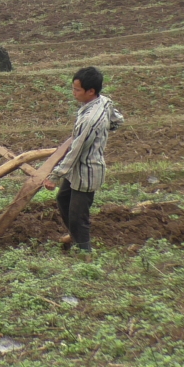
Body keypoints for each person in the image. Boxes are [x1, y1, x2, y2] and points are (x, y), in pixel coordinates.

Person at [42, 66, 124, 252]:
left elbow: (75, 151)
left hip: (87, 171)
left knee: (79, 215)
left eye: (77, 89)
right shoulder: (103, 101)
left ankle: (84, 252)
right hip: (76, 170)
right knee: (63, 199)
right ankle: (75, 235)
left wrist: (54, 176)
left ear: (91, 91)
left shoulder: (90, 120)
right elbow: (118, 120)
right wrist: (102, 132)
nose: (73, 93)